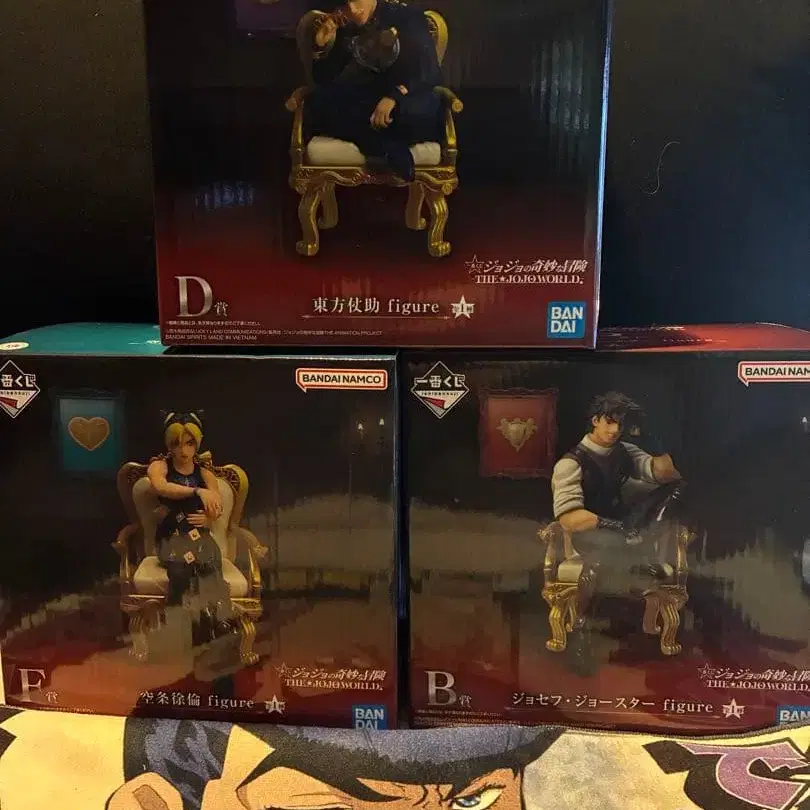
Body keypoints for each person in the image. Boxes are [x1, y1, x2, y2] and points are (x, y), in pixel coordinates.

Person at [550, 392, 684, 672]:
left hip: (624, 527)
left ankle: (638, 552)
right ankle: (581, 632)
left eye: (620, 425)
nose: (614, 430)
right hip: (590, 532)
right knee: (601, 559)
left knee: (677, 488)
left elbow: (666, 474)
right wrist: (614, 527)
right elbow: (570, 518)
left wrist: (653, 441)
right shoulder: (571, 463)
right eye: (609, 422)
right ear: (595, 420)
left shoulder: (625, 451)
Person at [308, 0, 443, 181]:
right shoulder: (343, 25)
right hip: (365, 103)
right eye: (346, 5)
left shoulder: (406, 17)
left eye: (356, 1)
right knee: (319, 102)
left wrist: (394, 96)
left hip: (404, 99)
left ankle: (373, 138)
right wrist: (322, 47)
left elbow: (430, 71)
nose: (352, 10)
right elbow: (324, 82)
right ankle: (386, 145)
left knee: (424, 109)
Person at [147, 412, 236, 643]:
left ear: (197, 444)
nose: (183, 450)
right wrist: (197, 491)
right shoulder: (160, 466)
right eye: (176, 444)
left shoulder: (204, 473)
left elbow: (216, 506)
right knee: (181, 570)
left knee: (210, 562)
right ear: (169, 444)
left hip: (200, 536)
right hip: (172, 536)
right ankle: (180, 624)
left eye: (189, 443)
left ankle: (216, 621)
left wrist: (210, 517)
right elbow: (161, 487)